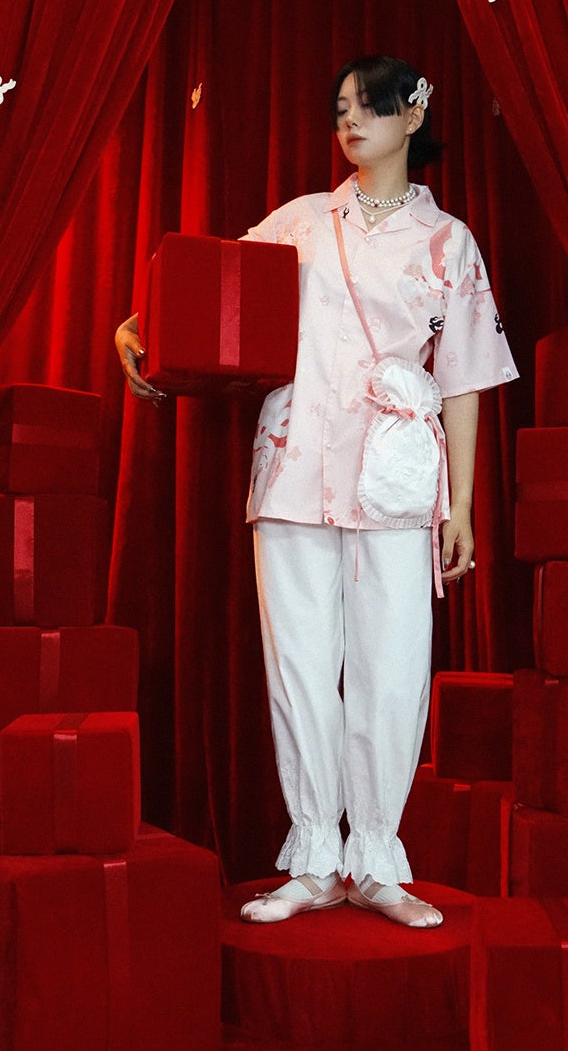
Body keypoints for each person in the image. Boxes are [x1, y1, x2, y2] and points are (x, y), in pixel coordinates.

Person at [116, 56, 518, 929]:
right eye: (340, 108)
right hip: (294, 466)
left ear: (413, 114)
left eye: (369, 105)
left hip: (394, 476)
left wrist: (461, 506)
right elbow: (212, 289)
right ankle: (313, 858)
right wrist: (136, 326)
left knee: (391, 669)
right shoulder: (297, 222)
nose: (351, 121)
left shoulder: (448, 243)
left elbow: (464, 377)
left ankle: (374, 859)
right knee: (297, 669)